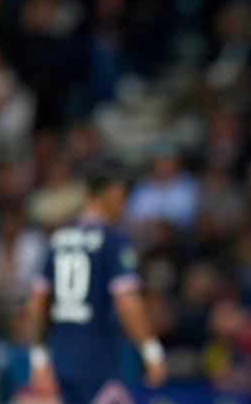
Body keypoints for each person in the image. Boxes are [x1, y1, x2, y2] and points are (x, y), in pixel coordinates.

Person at [26, 171, 167, 404]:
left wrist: (38, 357)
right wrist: (151, 350)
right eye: (120, 198)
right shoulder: (114, 242)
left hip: (61, 361)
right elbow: (127, 302)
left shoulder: (58, 240)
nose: (122, 206)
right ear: (108, 195)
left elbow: (36, 302)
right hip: (98, 362)